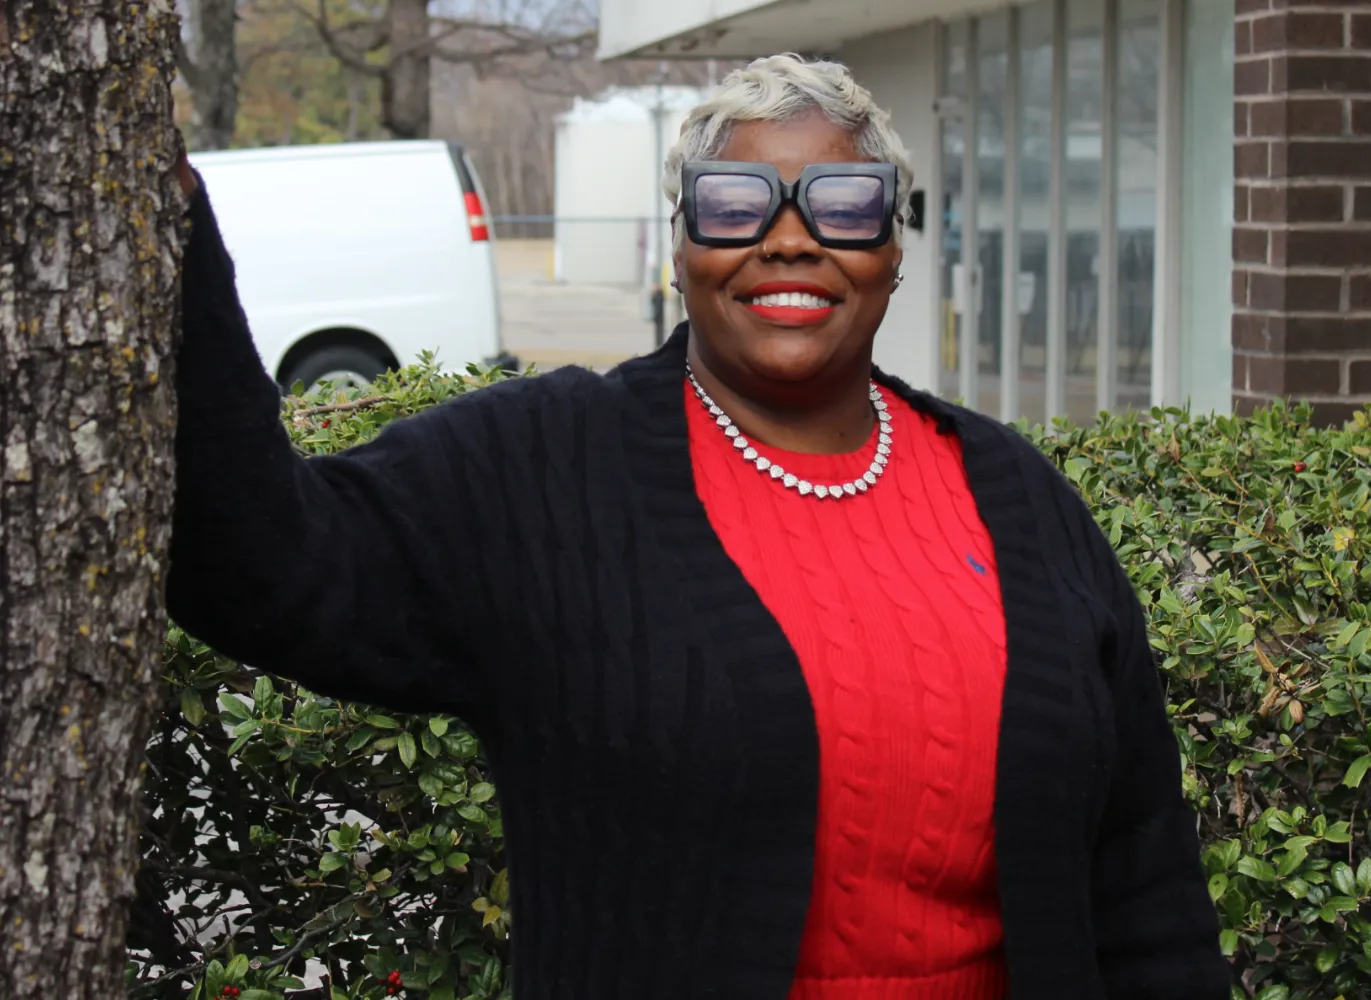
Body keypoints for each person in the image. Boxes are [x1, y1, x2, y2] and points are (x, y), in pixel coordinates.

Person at [169, 54, 1229, 1000]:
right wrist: (171, 234)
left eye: (845, 204)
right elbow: (266, 565)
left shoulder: (1019, 499)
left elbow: (1143, 873)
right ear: (678, 244)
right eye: (733, 203)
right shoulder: (542, 471)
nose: (788, 240)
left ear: (894, 248)